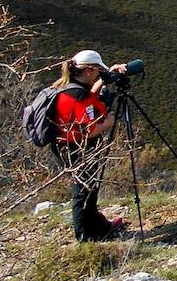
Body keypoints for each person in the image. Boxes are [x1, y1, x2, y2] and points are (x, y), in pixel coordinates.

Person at [52, 50, 130, 241]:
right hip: (78, 148)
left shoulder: (67, 87)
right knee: (83, 190)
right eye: (97, 71)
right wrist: (108, 123)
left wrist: (105, 78)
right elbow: (89, 129)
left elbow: (88, 99)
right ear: (88, 71)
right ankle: (84, 237)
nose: (98, 74)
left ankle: (98, 226)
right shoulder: (78, 95)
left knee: (89, 187)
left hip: (65, 145)